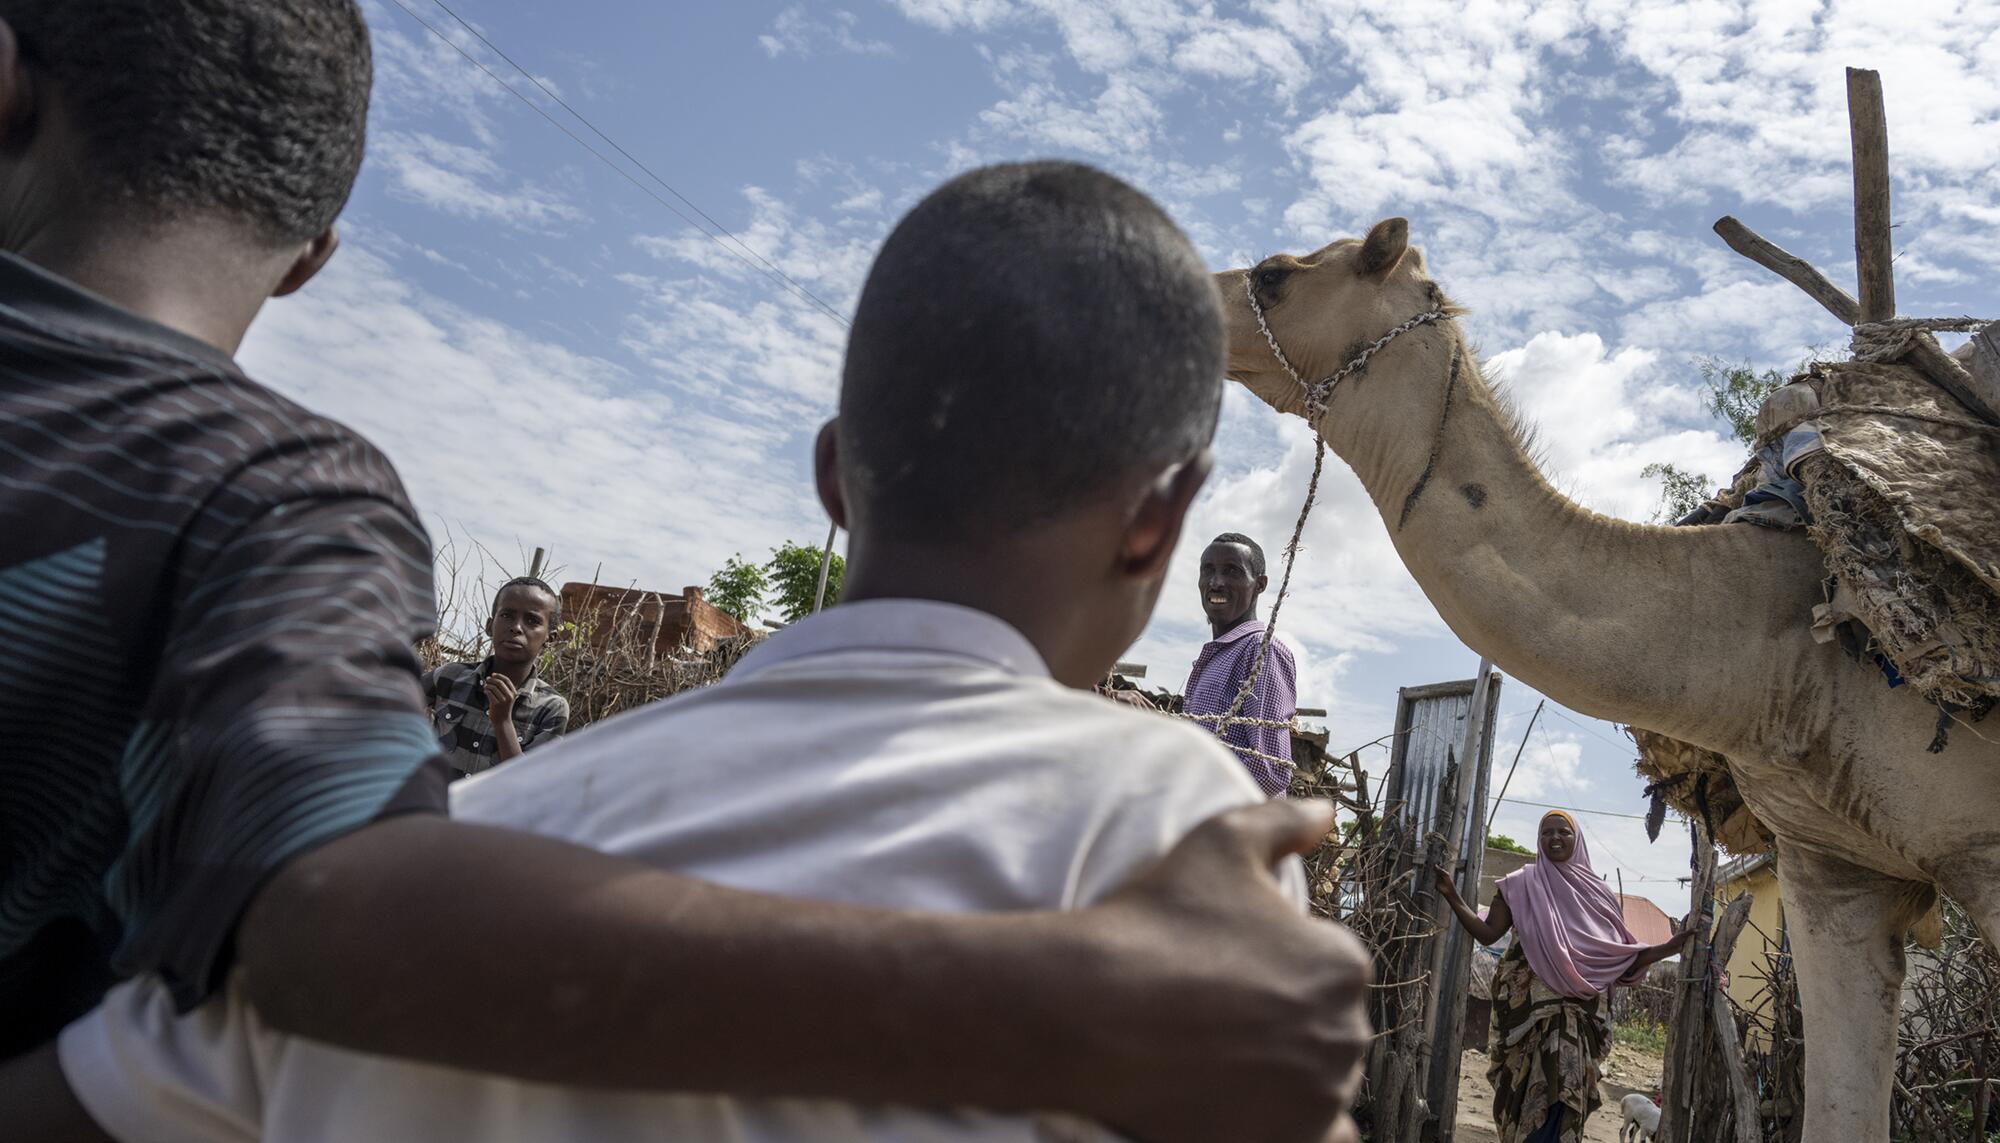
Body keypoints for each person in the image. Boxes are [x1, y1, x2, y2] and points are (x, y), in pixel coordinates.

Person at [0, 6, 1372, 1141]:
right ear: (1164, 522)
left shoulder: (466, 843)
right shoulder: (1172, 845)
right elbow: (312, 927)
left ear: (836, 480)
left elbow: (112, 1078)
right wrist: (1066, 1006)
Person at [1436, 811, 1692, 1143]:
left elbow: (1620, 959)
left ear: (1577, 839)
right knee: (1521, 1094)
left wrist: (1668, 946)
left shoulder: (1598, 895)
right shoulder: (1520, 883)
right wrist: (1452, 895)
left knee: (1566, 1096)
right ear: (1539, 841)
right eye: (1546, 833)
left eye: (1563, 832)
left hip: (1575, 1020)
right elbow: (1488, 934)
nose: (1555, 838)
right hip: (1528, 1018)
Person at [1183, 532, 1298, 796]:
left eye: (1232, 571)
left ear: (1259, 584)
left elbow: (1270, 771)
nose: (1216, 582)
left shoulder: (1260, 651)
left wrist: (1189, 796)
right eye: (1208, 570)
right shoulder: (1217, 656)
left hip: (1233, 831)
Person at [424, 577, 570, 780]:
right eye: (507, 615)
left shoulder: (551, 708)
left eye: (532, 620)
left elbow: (528, 783)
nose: (516, 628)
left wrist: (503, 722)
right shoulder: (450, 676)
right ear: (490, 626)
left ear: (550, 638)